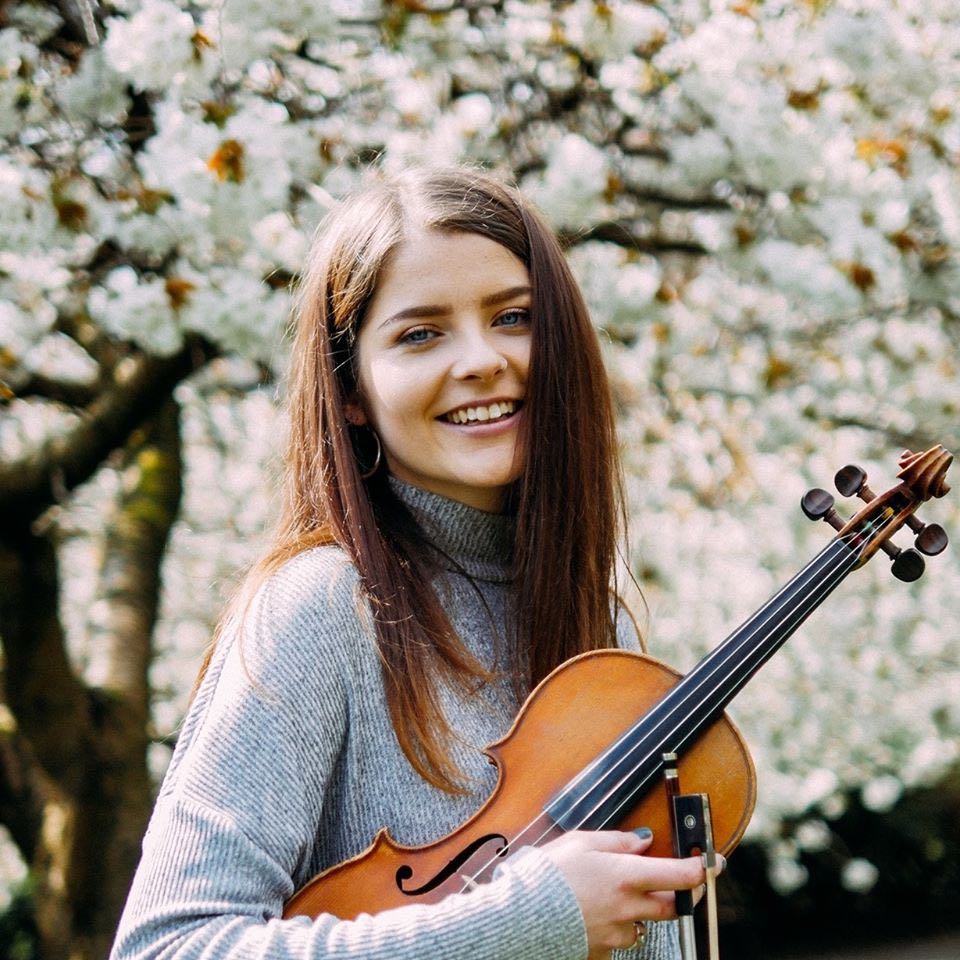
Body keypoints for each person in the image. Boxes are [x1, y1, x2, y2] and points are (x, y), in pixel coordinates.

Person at [110, 166, 713, 960]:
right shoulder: (324, 606)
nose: (481, 360)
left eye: (515, 317)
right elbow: (166, 947)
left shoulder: (594, 629)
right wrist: (526, 920)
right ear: (351, 390)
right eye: (420, 333)